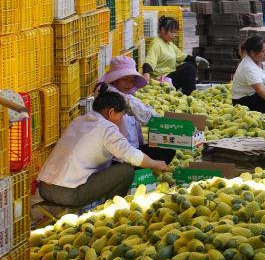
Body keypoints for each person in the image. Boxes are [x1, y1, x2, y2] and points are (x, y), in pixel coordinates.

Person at [37, 88, 168, 208]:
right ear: (111, 112)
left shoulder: (80, 120)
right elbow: (131, 155)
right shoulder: (106, 128)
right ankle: (109, 210)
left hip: (44, 189)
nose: (120, 121)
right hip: (69, 193)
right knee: (125, 171)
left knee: (116, 167)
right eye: (121, 117)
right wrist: (155, 164)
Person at [95, 56, 176, 165]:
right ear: (114, 80)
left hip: (130, 149)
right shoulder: (109, 95)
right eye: (125, 80)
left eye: (132, 80)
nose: (129, 84)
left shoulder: (124, 94)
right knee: (166, 151)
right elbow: (140, 110)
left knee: (167, 148)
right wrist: (164, 124)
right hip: (117, 156)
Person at [142, 16, 208, 96]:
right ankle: (190, 94)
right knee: (189, 69)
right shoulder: (156, 44)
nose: (174, 35)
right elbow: (149, 61)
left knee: (191, 64)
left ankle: (188, 93)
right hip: (162, 81)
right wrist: (146, 74)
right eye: (172, 32)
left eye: (175, 32)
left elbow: (181, 56)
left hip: (170, 76)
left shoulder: (169, 43)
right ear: (162, 30)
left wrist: (196, 59)